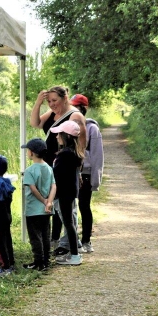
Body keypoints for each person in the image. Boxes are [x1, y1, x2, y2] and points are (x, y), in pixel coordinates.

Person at [30, 86, 86, 254]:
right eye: (49, 101)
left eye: (54, 100)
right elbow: (35, 123)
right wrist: (38, 103)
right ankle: (66, 242)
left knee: (68, 209)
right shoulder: (53, 114)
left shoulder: (75, 115)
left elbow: (81, 145)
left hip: (66, 166)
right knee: (58, 206)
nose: (52, 104)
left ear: (65, 97)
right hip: (53, 166)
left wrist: (78, 170)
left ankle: (70, 244)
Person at [69, 94, 104, 253]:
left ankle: (86, 241)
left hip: (86, 174)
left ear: (83, 108)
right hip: (72, 171)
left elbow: (97, 156)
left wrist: (95, 181)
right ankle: (69, 241)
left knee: (84, 206)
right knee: (69, 207)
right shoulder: (67, 125)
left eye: (76, 107)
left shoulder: (92, 128)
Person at [50, 120, 84, 265]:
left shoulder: (64, 155)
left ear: (66, 136)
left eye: (59, 134)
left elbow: (56, 176)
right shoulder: (74, 153)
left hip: (64, 193)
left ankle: (75, 256)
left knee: (68, 223)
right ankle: (76, 249)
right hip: (70, 193)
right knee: (69, 222)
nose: (57, 136)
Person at [21, 138, 56, 271]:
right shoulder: (48, 167)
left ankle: (38, 262)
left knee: (35, 237)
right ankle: (46, 260)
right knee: (46, 235)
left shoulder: (29, 171)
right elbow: (54, 186)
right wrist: (49, 202)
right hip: (46, 210)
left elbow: (33, 189)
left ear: (31, 152)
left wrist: (43, 201)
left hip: (33, 210)